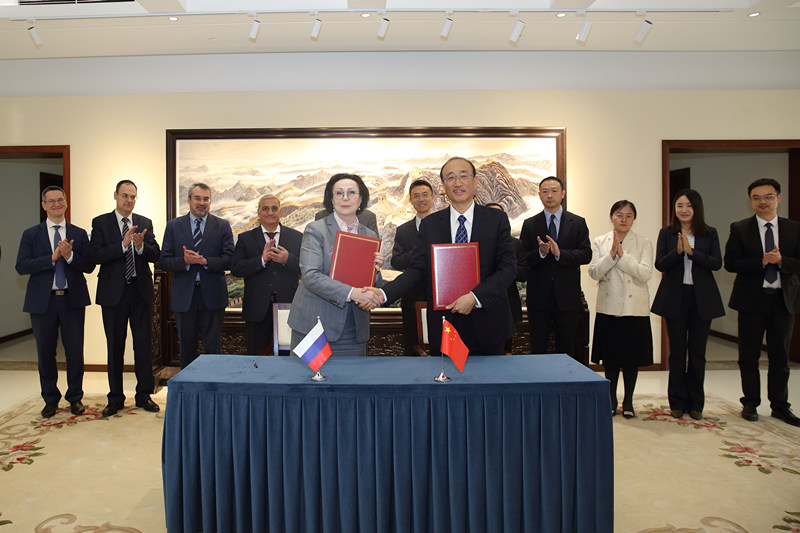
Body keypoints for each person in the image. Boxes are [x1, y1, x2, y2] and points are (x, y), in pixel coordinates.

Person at [374, 157, 517, 356]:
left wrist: (474, 297)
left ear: (475, 181)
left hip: (489, 324)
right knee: (446, 375)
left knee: (487, 376)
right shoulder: (431, 224)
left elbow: (507, 269)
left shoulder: (496, 219)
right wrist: (382, 294)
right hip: (445, 325)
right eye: (450, 178)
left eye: (463, 176)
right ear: (443, 185)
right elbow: (416, 270)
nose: (457, 183)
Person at [724, 178, 800, 427]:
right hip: (751, 301)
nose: (762, 202)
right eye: (756, 198)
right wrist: (762, 261)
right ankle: (750, 403)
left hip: (782, 301)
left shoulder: (794, 229)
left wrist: (782, 261)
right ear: (750, 201)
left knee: (780, 356)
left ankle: (780, 406)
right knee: (748, 355)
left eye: (768, 196)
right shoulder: (740, 228)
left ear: (779, 198)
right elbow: (730, 263)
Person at [15, 186, 95, 418]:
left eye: (60, 199)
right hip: (43, 303)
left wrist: (70, 256)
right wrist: (51, 258)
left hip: (72, 301)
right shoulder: (31, 234)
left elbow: (89, 265)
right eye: (51, 201)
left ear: (66, 203)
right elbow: (21, 266)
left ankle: (75, 398)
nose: (56, 204)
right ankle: (50, 399)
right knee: (45, 352)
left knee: (75, 352)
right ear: (44, 205)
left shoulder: (79, 233)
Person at [288, 173, 384, 356]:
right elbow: (311, 276)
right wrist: (352, 293)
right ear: (331, 199)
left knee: (350, 375)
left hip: (353, 327)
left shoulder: (370, 235)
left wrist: (376, 272)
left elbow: (373, 284)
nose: (345, 198)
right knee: (309, 375)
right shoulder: (316, 229)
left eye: (351, 192)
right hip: (315, 325)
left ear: (361, 199)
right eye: (339, 193)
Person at [89, 180, 161, 416]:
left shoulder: (145, 223)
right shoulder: (101, 223)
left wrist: (140, 247)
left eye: (133, 196)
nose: (129, 200)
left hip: (140, 292)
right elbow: (95, 255)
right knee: (115, 346)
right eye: (125, 195)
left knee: (143, 346)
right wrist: (123, 244)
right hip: (113, 295)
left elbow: (156, 254)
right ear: (115, 196)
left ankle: (143, 396)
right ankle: (115, 398)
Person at [651, 189, 725, 421]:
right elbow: (660, 264)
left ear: (697, 208)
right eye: (679, 206)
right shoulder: (667, 233)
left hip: (701, 298)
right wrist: (678, 252)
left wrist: (692, 253)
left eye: (689, 206)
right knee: (677, 352)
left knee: (698, 353)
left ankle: (696, 404)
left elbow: (716, 263)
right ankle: (676, 402)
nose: (684, 210)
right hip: (675, 296)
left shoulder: (709, 233)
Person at [588, 200, 653, 418]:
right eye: (619, 214)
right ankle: (611, 400)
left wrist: (623, 257)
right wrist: (611, 256)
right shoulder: (600, 241)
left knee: (631, 360)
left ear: (634, 219)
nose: (623, 219)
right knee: (611, 360)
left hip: (634, 309)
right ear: (611, 217)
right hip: (609, 308)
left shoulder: (643, 242)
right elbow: (594, 273)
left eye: (628, 216)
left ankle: (629, 402)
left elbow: (645, 273)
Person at [159, 182, 234, 368]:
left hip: (213, 295)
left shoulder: (222, 226)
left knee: (213, 347)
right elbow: (164, 262)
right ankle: (188, 386)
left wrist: (206, 261)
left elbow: (230, 260)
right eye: (197, 198)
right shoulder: (173, 226)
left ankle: (213, 384)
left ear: (210, 201)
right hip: (185, 297)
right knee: (186, 348)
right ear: (189, 200)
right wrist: (184, 261)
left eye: (206, 199)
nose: (202, 203)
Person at [520, 176, 591, 364]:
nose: (549, 195)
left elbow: (586, 255)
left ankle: (566, 381)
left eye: (554, 191)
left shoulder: (577, 222)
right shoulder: (530, 224)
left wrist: (561, 254)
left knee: (566, 348)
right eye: (545, 192)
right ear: (539, 195)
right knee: (538, 347)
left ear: (563, 194)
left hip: (567, 296)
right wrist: (541, 253)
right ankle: (539, 381)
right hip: (538, 297)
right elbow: (523, 259)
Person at [230, 194, 302, 355]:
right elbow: (236, 268)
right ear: (258, 212)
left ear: (280, 212)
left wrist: (287, 260)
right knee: (257, 356)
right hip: (256, 308)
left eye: (274, 208)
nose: (270, 212)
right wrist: (261, 260)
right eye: (265, 209)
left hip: (288, 307)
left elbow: (306, 268)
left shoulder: (297, 237)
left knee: (288, 355)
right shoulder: (245, 239)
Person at [391, 179, 433, 355]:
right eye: (416, 196)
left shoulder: (444, 226)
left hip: (439, 298)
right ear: (411, 200)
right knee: (412, 346)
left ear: (432, 197)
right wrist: (420, 250)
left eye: (425, 195)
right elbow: (396, 261)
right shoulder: (403, 230)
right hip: (412, 297)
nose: (421, 199)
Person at [486, 202, 528, 353]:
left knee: (506, 351)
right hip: (482, 305)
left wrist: (506, 267)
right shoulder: (474, 243)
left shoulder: (515, 244)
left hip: (508, 304)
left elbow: (523, 274)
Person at [315, 206, 379, 237]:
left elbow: (374, 248)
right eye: (339, 193)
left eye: (352, 193)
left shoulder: (368, 217)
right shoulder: (321, 216)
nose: (345, 198)